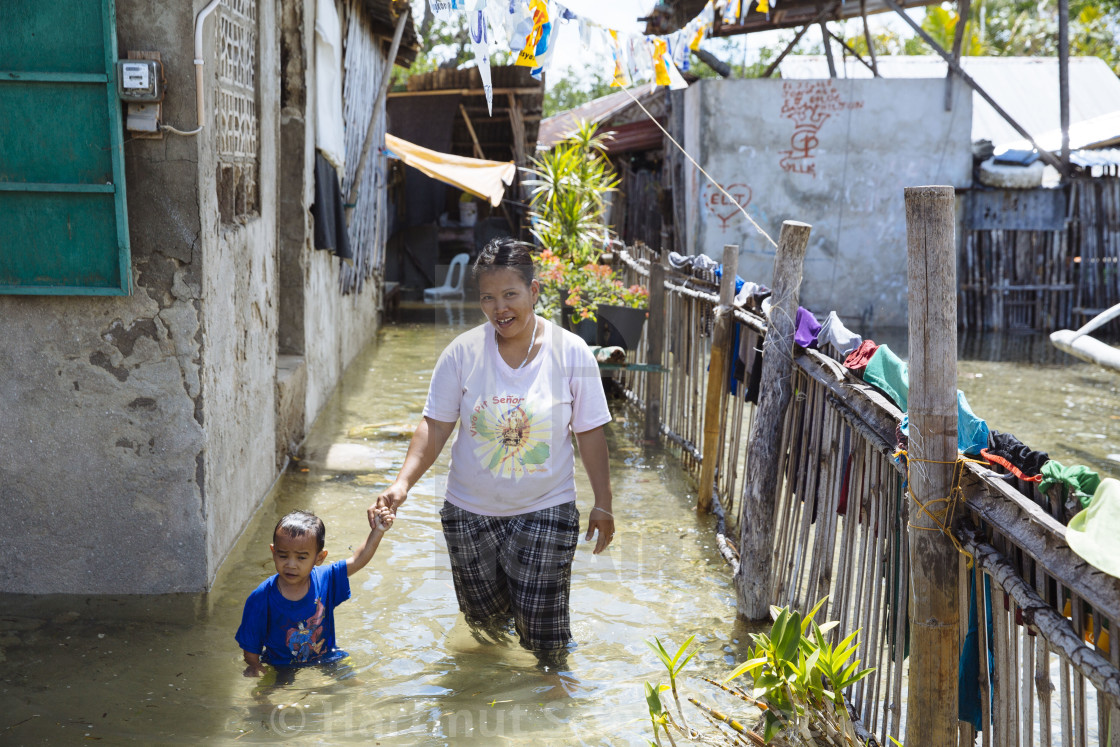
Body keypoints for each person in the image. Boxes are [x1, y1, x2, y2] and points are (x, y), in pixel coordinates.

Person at [369, 237, 615, 662]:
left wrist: (603, 503)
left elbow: (589, 432)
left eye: (510, 295)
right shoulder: (462, 353)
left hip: (546, 508)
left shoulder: (571, 352)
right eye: (488, 297)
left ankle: (554, 709)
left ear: (533, 292)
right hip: (469, 515)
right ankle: (488, 705)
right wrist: (401, 484)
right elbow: (435, 425)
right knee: (485, 631)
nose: (500, 308)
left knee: (545, 637)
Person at [236, 508, 393, 676]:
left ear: (319, 558)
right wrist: (254, 666)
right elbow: (251, 646)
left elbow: (357, 560)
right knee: (265, 697)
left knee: (354, 683)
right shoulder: (261, 597)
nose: (291, 564)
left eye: (301, 557)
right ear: (273, 552)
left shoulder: (325, 579)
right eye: (283, 556)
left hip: (325, 655)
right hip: (280, 664)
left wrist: (378, 530)